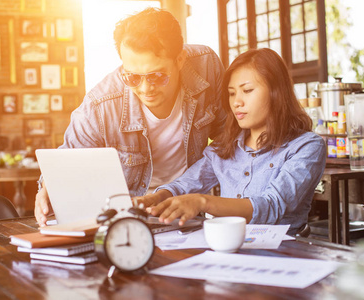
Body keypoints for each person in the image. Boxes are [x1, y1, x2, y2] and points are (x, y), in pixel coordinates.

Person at [35, 8, 226, 226]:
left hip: (187, 210)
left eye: (157, 76)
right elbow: (67, 160)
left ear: (180, 59)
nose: (146, 88)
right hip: (129, 219)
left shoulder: (206, 66)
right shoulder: (100, 105)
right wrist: (49, 188)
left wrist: (179, 191)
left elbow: (227, 140)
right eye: (133, 77)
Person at [135, 48, 327, 235]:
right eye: (232, 93)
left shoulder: (306, 146)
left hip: (285, 250)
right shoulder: (224, 147)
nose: (237, 102)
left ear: (277, 92)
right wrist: (156, 198)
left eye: (247, 90)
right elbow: (186, 183)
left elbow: (272, 206)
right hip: (229, 246)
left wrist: (203, 202)